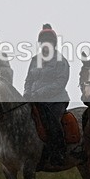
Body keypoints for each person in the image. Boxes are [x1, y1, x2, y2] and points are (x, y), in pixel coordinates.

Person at [24, 24, 70, 166]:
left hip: (56, 100)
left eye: (48, 42)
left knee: (52, 122)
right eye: (43, 42)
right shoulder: (34, 60)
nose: (46, 44)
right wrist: (26, 93)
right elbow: (28, 80)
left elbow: (60, 83)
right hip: (35, 99)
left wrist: (39, 93)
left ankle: (58, 153)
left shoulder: (61, 61)